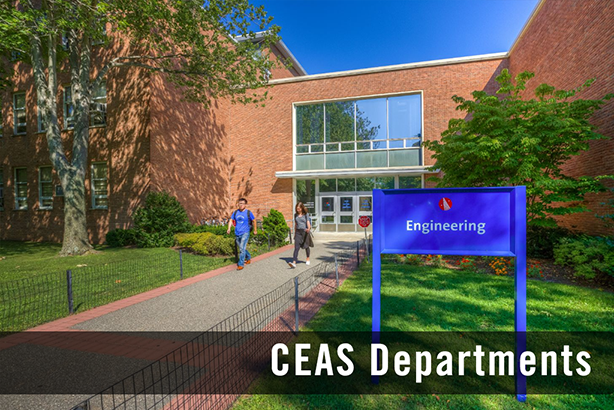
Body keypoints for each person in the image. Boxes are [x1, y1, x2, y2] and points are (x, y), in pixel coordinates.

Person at [227, 198, 257, 270]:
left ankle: (240, 264)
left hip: (245, 232)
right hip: (237, 232)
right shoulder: (235, 212)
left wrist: (255, 230)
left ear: (245, 205)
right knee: (242, 248)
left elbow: (254, 221)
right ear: (238, 204)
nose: (241, 205)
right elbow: (231, 220)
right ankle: (248, 257)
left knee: (241, 249)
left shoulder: (248, 212)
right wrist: (229, 228)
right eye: (240, 203)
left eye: (243, 203)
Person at [288, 202, 312, 268]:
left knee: (306, 246)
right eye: (297, 208)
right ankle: (294, 262)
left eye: (299, 208)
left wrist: (308, 228)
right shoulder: (295, 215)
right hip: (298, 232)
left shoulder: (306, 214)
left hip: (304, 232)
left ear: (301, 208)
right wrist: (295, 233)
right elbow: (296, 224)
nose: (297, 210)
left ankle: (307, 258)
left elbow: (308, 222)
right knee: (296, 248)